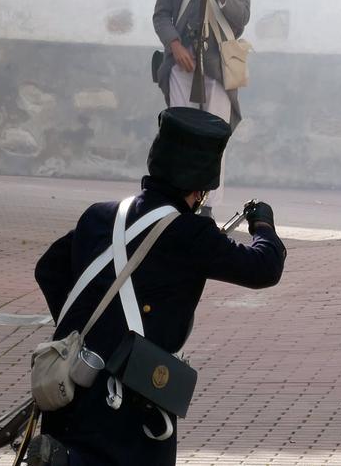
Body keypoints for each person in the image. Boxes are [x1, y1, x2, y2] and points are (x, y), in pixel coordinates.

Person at [34, 107, 286, 464]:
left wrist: (87, 329)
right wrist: (263, 225)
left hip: (70, 378)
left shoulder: (100, 215)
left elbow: (49, 269)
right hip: (129, 394)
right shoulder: (191, 232)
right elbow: (264, 267)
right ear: (200, 189)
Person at [152, 0, 253, 215]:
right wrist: (174, 45)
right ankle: (177, 204)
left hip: (218, 66)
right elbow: (161, 15)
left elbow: (241, 18)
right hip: (182, 66)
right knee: (179, 136)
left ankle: (207, 208)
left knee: (214, 139)